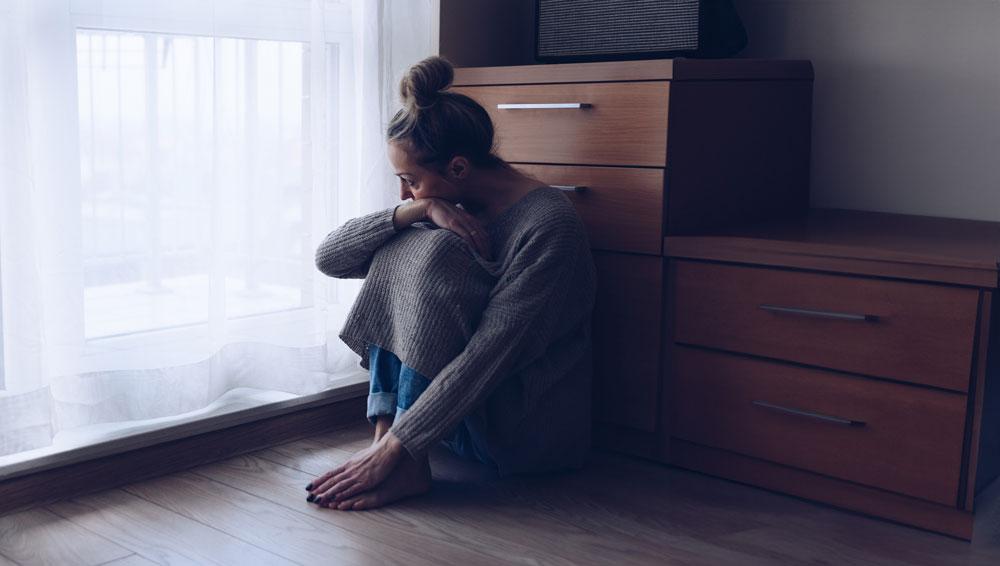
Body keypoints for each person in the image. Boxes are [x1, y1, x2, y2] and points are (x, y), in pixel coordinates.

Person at [305, 55, 597, 511]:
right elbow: (329, 259)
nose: (403, 193)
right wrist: (415, 213)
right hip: (446, 427)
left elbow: (490, 355)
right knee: (406, 243)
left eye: (410, 182)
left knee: (433, 251)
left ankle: (399, 455)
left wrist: (399, 443)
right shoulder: (444, 205)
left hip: (520, 432)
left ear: (458, 169)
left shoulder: (548, 225)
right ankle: (391, 447)